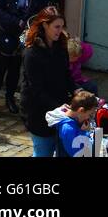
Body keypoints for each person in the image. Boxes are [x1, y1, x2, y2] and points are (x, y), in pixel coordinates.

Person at [21, 8, 74, 157]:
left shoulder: (61, 47)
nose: (60, 31)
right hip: (38, 112)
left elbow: (66, 74)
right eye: (57, 27)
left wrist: (76, 90)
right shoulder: (32, 53)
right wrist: (60, 107)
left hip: (59, 107)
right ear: (45, 25)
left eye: (62, 27)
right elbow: (36, 90)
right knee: (43, 151)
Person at [57, 90, 101, 158]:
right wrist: (85, 132)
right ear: (81, 110)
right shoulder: (68, 129)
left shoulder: (76, 120)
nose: (89, 118)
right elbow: (78, 154)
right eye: (90, 114)